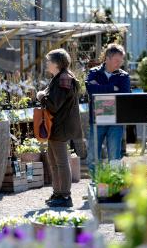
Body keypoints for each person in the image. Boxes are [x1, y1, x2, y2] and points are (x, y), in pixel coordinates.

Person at [36, 48, 83, 207]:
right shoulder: (59, 77)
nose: (47, 63)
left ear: (57, 63)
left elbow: (54, 105)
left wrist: (41, 96)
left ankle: (65, 196)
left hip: (60, 127)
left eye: (49, 61)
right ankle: (57, 193)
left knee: (61, 163)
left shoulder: (64, 78)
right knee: (54, 162)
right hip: (55, 126)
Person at [85, 44, 130, 172]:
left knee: (114, 157)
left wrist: (101, 89)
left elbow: (125, 95)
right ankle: (95, 184)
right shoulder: (94, 73)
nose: (120, 63)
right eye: (117, 60)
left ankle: (113, 185)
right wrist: (112, 88)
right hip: (97, 120)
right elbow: (91, 91)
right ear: (107, 58)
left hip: (116, 121)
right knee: (93, 157)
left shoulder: (124, 76)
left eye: (121, 61)